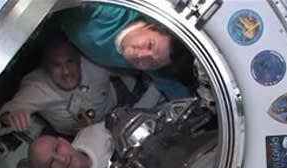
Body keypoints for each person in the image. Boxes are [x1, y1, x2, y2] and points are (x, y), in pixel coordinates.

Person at [0, 38, 163, 137]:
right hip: (79, 136)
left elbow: (128, 68)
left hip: (117, 104)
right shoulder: (37, 89)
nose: (66, 71)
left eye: (70, 61)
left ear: (79, 60)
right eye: (56, 65)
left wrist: (144, 88)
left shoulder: (95, 62)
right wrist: (7, 119)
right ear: (46, 69)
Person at [60, 3, 193, 100]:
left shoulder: (147, 63)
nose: (142, 55)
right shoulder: (110, 11)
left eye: (152, 62)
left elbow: (176, 92)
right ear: (151, 26)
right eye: (150, 44)